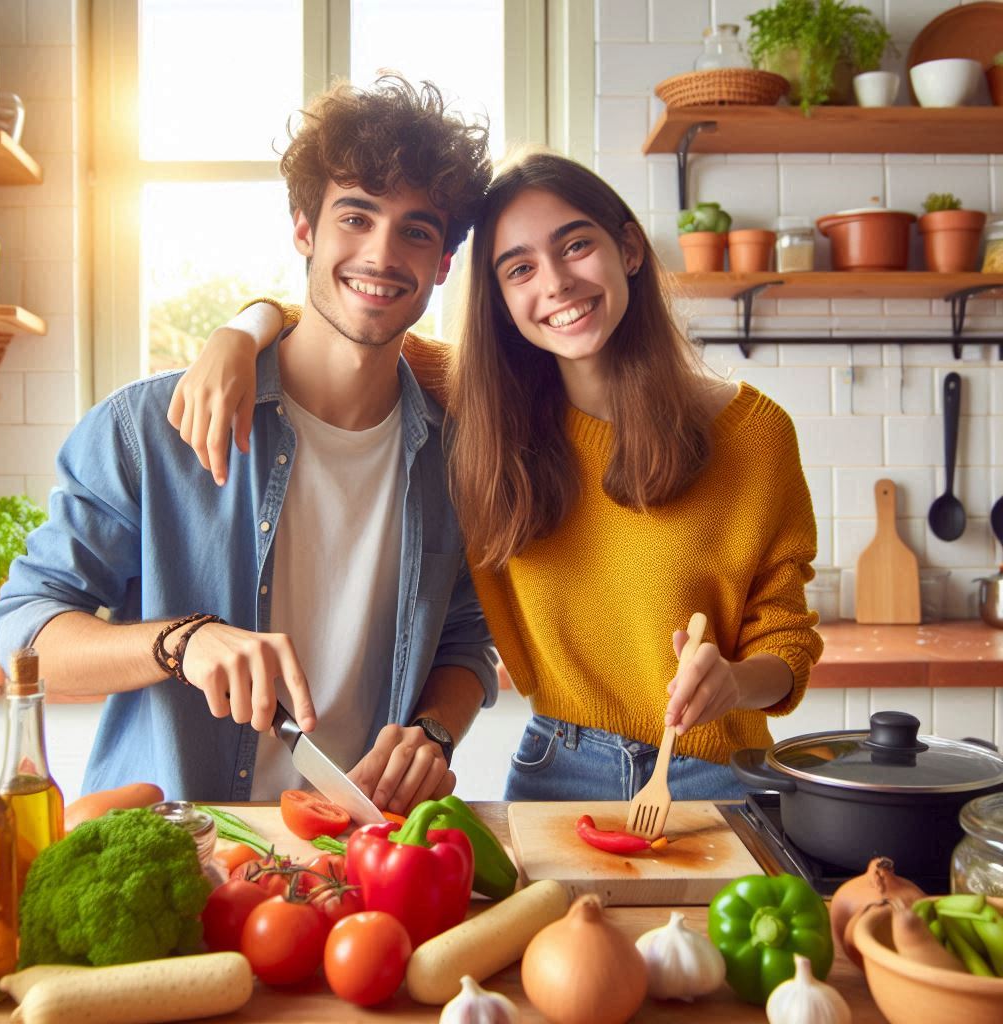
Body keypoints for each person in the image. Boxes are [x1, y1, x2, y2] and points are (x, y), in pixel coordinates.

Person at [168, 149, 823, 802]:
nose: (557, 284)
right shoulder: (481, 406)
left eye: (574, 246)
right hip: (558, 771)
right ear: (502, 300)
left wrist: (734, 681)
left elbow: (787, 640)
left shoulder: (753, 435)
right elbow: (344, 314)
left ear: (627, 248)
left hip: (719, 775)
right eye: (520, 268)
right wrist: (238, 332)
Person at [0, 76, 498, 812]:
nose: (382, 254)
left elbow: (464, 641)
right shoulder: (149, 429)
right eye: (355, 216)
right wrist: (180, 643)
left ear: (442, 265)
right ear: (304, 230)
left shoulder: (456, 457)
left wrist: (435, 733)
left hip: (358, 851)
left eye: (416, 231)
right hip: (173, 849)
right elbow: (20, 633)